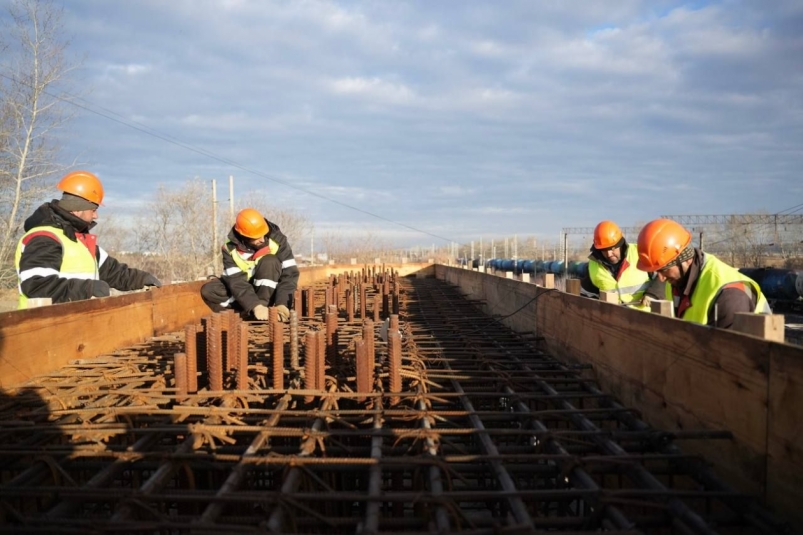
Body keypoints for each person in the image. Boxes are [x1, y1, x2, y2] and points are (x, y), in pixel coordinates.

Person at [14, 170, 162, 308]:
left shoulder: (80, 242)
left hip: (76, 327)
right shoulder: (45, 238)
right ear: (77, 208)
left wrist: (142, 279)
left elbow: (114, 272)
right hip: (40, 330)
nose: (95, 216)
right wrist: (88, 288)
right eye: (93, 209)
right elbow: (37, 285)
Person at [636, 218, 770, 328]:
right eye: (656, 272)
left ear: (685, 260)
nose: (660, 278)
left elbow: (731, 354)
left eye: (663, 270)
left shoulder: (729, 294)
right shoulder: (677, 280)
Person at [200, 208, 299, 321]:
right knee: (209, 290)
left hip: (269, 292)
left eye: (263, 234)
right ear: (244, 236)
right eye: (256, 237)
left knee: (270, 261)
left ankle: (265, 308)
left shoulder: (278, 240)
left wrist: (283, 304)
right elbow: (236, 282)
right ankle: (246, 314)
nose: (262, 239)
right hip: (245, 292)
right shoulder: (229, 249)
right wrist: (254, 306)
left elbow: (290, 275)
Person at [580, 220, 664, 309]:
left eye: (612, 248)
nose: (609, 254)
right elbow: (587, 292)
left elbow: (663, 275)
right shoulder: (594, 264)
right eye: (604, 250)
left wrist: (653, 294)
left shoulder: (639, 253)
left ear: (620, 244)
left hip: (644, 318)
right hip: (612, 319)